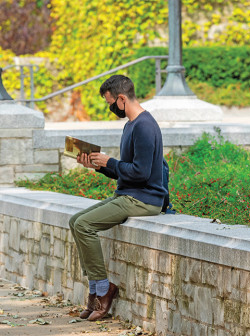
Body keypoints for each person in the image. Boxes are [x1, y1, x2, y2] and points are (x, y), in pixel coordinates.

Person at [69, 75, 165, 321]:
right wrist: (99, 166)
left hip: (144, 199)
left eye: (110, 102)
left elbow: (141, 173)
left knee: (84, 224)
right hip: (129, 193)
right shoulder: (130, 125)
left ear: (122, 99)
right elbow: (128, 172)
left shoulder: (144, 126)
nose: (110, 108)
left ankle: (103, 290)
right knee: (75, 221)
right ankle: (96, 287)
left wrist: (111, 162)